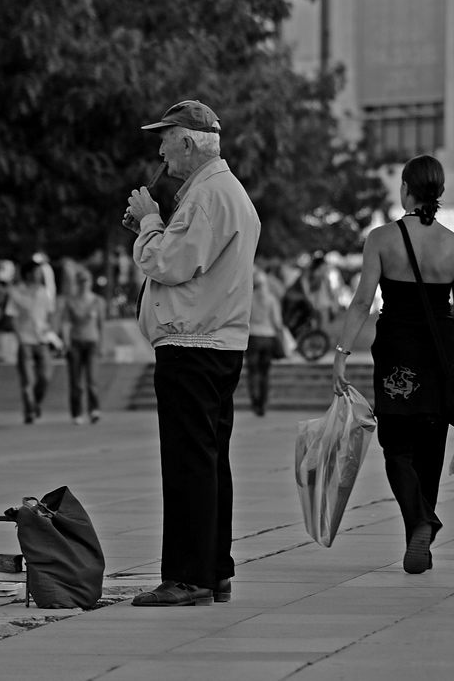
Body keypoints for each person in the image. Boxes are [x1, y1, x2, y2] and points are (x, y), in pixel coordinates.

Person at [122, 99, 260, 606]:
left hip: (192, 347)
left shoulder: (207, 195)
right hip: (216, 344)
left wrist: (148, 221)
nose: (161, 151)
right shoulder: (225, 192)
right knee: (208, 460)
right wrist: (154, 225)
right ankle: (213, 569)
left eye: (165, 140)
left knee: (188, 465)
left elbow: (168, 263)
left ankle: (188, 576)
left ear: (187, 142)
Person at [333, 155, 454, 575]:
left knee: (397, 447)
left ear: (405, 188)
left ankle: (420, 523)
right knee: (431, 448)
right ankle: (421, 532)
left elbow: (361, 302)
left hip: (398, 352)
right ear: (438, 192)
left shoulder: (382, 238)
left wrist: (341, 354)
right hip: (442, 352)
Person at [6, 260, 54, 424]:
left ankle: (36, 402)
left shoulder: (43, 291)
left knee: (45, 377)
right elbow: (11, 315)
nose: (39, 275)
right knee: (27, 380)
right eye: (37, 272)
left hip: (41, 339)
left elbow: (49, 313)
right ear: (28, 274)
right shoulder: (16, 292)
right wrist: (19, 336)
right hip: (25, 339)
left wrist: (50, 331)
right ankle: (30, 411)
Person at [60, 268, 106, 425]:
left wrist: (102, 344)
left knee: (92, 379)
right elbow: (65, 322)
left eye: (86, 281)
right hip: (75, 342)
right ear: (77, 283)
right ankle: (77, 412)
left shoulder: (98, 301)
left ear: (90, 282)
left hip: (92, 342)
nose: (84, 284)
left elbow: (101, 324)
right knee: (76, 382)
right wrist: (65, 340)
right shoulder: (71, 301)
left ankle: (94, 409)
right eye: (81, 281)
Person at [246, 266, 283, 416]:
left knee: (253, 372)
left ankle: (255, 401)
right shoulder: (271, 299)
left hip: (253, 337)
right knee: (265, 373)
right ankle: (263, 402)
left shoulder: (248, 298)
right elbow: (277, 322)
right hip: (269, 337)